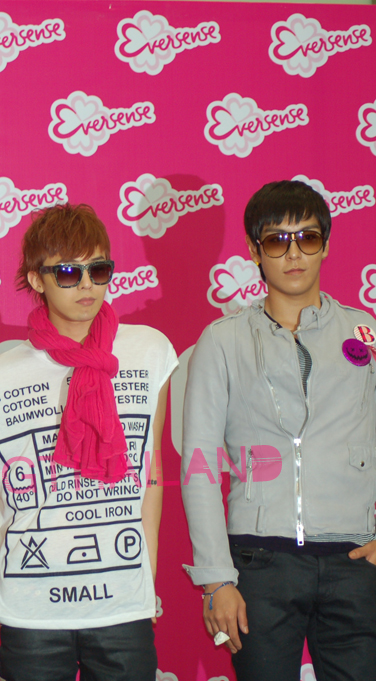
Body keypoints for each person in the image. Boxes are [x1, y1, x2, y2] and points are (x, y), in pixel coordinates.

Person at [0, 203, 176, 681]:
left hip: (123, 602)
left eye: (98, 270)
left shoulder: (149, 351)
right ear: (36, 279)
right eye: (67, 272)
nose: (86, 285)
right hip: (31, 610)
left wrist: (145, 575)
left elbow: (151, 472)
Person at [181, 180, 376, 680]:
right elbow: (200, 464)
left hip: (356, 561)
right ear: (254, 251)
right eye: (276, 241)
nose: (293, 254)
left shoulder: (366, 333)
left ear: (325, 245)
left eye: (307, 238)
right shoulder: (221, 341)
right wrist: (216, 578)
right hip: (259, 563)